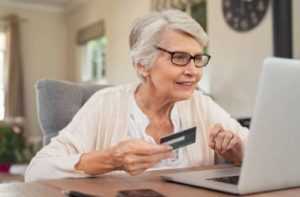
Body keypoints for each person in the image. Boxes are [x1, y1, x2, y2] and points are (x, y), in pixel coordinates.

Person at [25, 9, 248, 182]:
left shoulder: (200, 104)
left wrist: (238, 152)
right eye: (179, 57)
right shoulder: (106, 104)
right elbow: (36, 171)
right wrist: (111, 158)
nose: (193, 71)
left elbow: (262, 154)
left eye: (198, 58)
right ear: (142, 65)